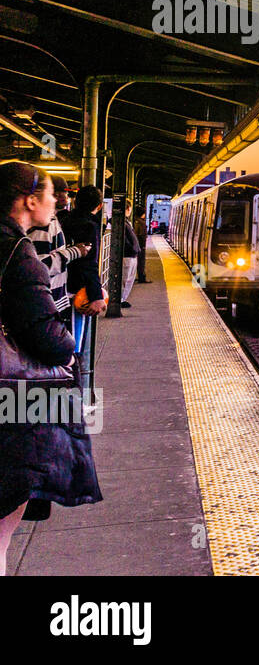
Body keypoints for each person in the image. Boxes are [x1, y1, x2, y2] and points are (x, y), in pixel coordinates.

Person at [0, 163, 103, 575]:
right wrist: (69, 351)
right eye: (49, 195)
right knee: (4, 520)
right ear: (29, 201)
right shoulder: (17, 251)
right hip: (13, 397)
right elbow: (43, 331)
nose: (56, 203)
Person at [28, 176, 91, 322]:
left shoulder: (51, 220)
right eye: (54, 194)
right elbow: (40, 266)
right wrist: (75, 252)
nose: (66, 197)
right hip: (46, 303)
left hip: (51, 300)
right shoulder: (43, 224)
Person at [62, 186, 107, 390]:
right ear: (99, 206)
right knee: (75, 345)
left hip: (61, 287)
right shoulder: (89, 226)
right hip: (77, 292)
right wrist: (96, 296)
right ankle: (74, 392)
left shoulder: (64, 220)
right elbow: (89, 263)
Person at [121, 202, 140, 308]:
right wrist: (132, 248)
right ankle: (120, 299)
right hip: (127, 255)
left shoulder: (126, 222)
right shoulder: (121, 222)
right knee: (124, 278)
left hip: (132, 255)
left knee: (129, 279)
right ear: (127, 209)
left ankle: (123, 299)